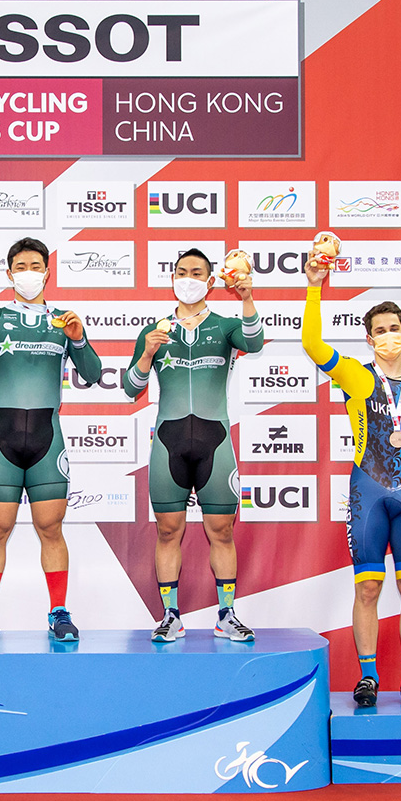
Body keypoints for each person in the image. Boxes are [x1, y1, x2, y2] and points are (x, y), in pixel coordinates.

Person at [0, 236, 103, 642]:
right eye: (21, 266)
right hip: (2, 439)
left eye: (36, 266)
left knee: (51, 528)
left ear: (47, 271)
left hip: (47, 439)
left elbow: (94, 373)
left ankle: (59, 612)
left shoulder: (64, 320)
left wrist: (78, 338)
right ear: (9, 274)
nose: (29, 273)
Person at [303, 260, 401, 708]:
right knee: (368, 587)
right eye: (380, 329)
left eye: (395, 327)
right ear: (369, 339)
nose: (390, 335)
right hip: (368, 491)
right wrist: (315, 287)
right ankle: (368, 677)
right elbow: (312, 343)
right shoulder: (356, 374)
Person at [125, 248, 263, 642]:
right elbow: (130, 388)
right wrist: (148, 353)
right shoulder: (154, 330)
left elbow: (254, 343)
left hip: (214, 443)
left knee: (221, 530)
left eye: (197, 272)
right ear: (172, 278)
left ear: (210, 281)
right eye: (182, 271)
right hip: (167, 443)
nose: (189, 278)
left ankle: (226, 615)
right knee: (168, 531)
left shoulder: (225, 325)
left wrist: (248, 297)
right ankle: (171, 616)